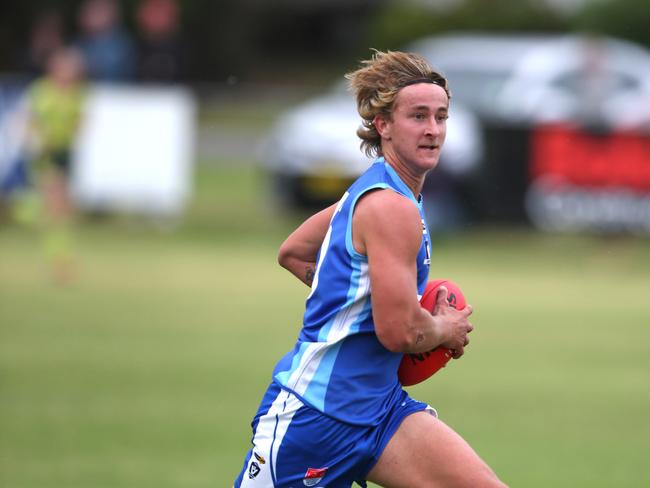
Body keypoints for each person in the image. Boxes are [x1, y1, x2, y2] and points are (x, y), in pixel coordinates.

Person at [233, 50, 507, 487]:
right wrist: (444, 329)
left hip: (379, 410)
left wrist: (358, 299)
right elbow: (399, 332)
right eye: (418, 116)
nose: (433, 129)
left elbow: (295, 252)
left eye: (441, 116)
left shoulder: (375, 193)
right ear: (383, 126)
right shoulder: (389, 208)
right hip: (315, 419)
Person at [25, 46, 87, 283]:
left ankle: (25, 208)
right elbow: (32, 122)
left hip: (65, 154)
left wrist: (71, 132)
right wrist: (40, 138)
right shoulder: (42, 92)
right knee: (58, 208)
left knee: (60, 212)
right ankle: (60, 262)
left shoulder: (77, 95)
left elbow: (80, 124)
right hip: (47, 154)